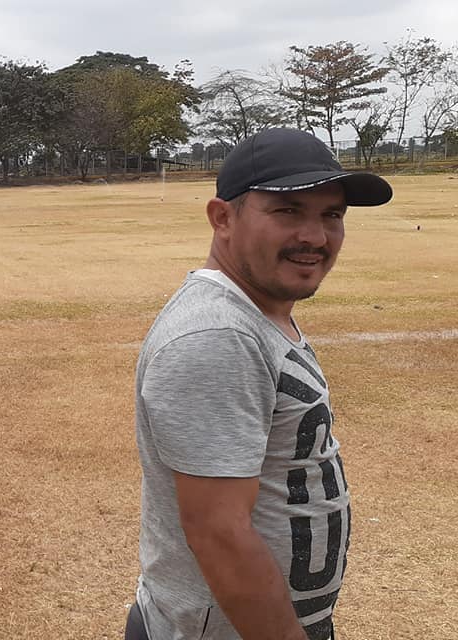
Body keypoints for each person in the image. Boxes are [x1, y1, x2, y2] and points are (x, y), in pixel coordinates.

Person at [128, 128, 393, 640]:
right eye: (288, 211)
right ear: (222, 218)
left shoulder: (259, 312)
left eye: (332, 215)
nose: (316, 237)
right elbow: (219, 533)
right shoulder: (217, 335)